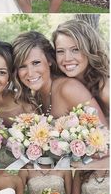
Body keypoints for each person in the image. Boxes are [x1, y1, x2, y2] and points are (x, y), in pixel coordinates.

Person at [12, 30, 108, 168]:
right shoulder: (35, 97)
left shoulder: (68, 89)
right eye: (22, 66)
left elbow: (105, 141)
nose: (30, 73)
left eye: (36, 63)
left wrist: (84, 167)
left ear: (49, 61)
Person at [52, 18, 109, 120]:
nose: (67, 58)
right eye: (60, 51)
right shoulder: (58, 84)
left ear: (90, 50)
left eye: (75, 50)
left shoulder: (105, 90)